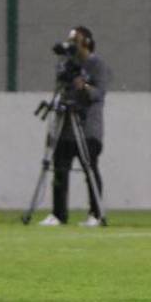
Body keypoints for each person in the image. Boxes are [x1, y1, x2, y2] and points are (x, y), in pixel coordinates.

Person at [40, 26, 111, 227]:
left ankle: (95, 213)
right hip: (65, 127)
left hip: (87, 127)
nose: (72, 45)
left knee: (90, 169)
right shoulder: (66, 64)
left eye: (76, 40)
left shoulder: (96, 64)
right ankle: (58, 213)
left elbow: (99, 93)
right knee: (59, 169)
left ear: (86, 42)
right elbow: (60, 89)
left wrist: (84, 86)